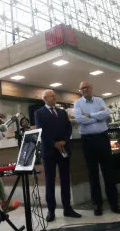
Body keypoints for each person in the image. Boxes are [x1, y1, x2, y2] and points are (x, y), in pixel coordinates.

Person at [73, 81, 120, 216]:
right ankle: (97, 205)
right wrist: (97, 117)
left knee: (109, 172)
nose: (85, 89)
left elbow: (106, 115)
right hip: (88, 141)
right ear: (80, 90)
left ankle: (114, 204)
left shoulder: (99, 100)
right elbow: (79, 119)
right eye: (82, 88)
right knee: (93, 174)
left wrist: (90, 115)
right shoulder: (77, 103)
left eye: (87, 87)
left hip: (103, 138)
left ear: (91, 88)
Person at [35, 89, 82, 222]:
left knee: (65, 179)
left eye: (55, 96)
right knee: (50, 182)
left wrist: (64, 141)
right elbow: (41, 131)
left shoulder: (62, 112)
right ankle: (51, 211)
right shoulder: (39, 113)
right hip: (49, 151)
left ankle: (68, 208)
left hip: (63, 150)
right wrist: (54, 143)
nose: (55, 98)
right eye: (52, 96)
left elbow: (69, 128)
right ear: (45, 98)